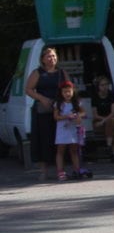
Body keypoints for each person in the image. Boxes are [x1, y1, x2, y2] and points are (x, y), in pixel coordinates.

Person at [25, 46, 69, 180]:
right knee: (43, 139)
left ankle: (60, 169)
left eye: (54, 56)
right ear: (43, 59)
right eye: (49, 56)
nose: (52, 59)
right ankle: (43, 171)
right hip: (43, 111)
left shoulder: (62, 73)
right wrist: (42, 98)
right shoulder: (38, 73)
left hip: (59, 110)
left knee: (60, 139)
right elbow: (28, 89)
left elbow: (69, 88)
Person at [54, 80, 90, 180]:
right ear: (61, 93)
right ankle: (60, 171)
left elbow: (83, 113)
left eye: (69, 91)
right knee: (61, 150)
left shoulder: (77, 102)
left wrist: (78, 115)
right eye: (65, 92)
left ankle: (77, 169)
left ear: (73, 91)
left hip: (74, 128)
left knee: (74, 150)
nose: (67, 94)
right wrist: (66, 116)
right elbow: (56, 117)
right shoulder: (59, 104)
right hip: (62, 129)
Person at [90, 75, 114, 163]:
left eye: (106, 84)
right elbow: (95, 115)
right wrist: (103, 120)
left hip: (109, 119)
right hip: (98, 121)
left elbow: (113, 112)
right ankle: (113, 153)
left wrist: (104, 120)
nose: (105, 87)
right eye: (102, 85)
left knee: (111, 122)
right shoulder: (95, 97)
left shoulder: (111, 95)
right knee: (112, 127)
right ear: (98, 87)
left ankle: (109, 146)